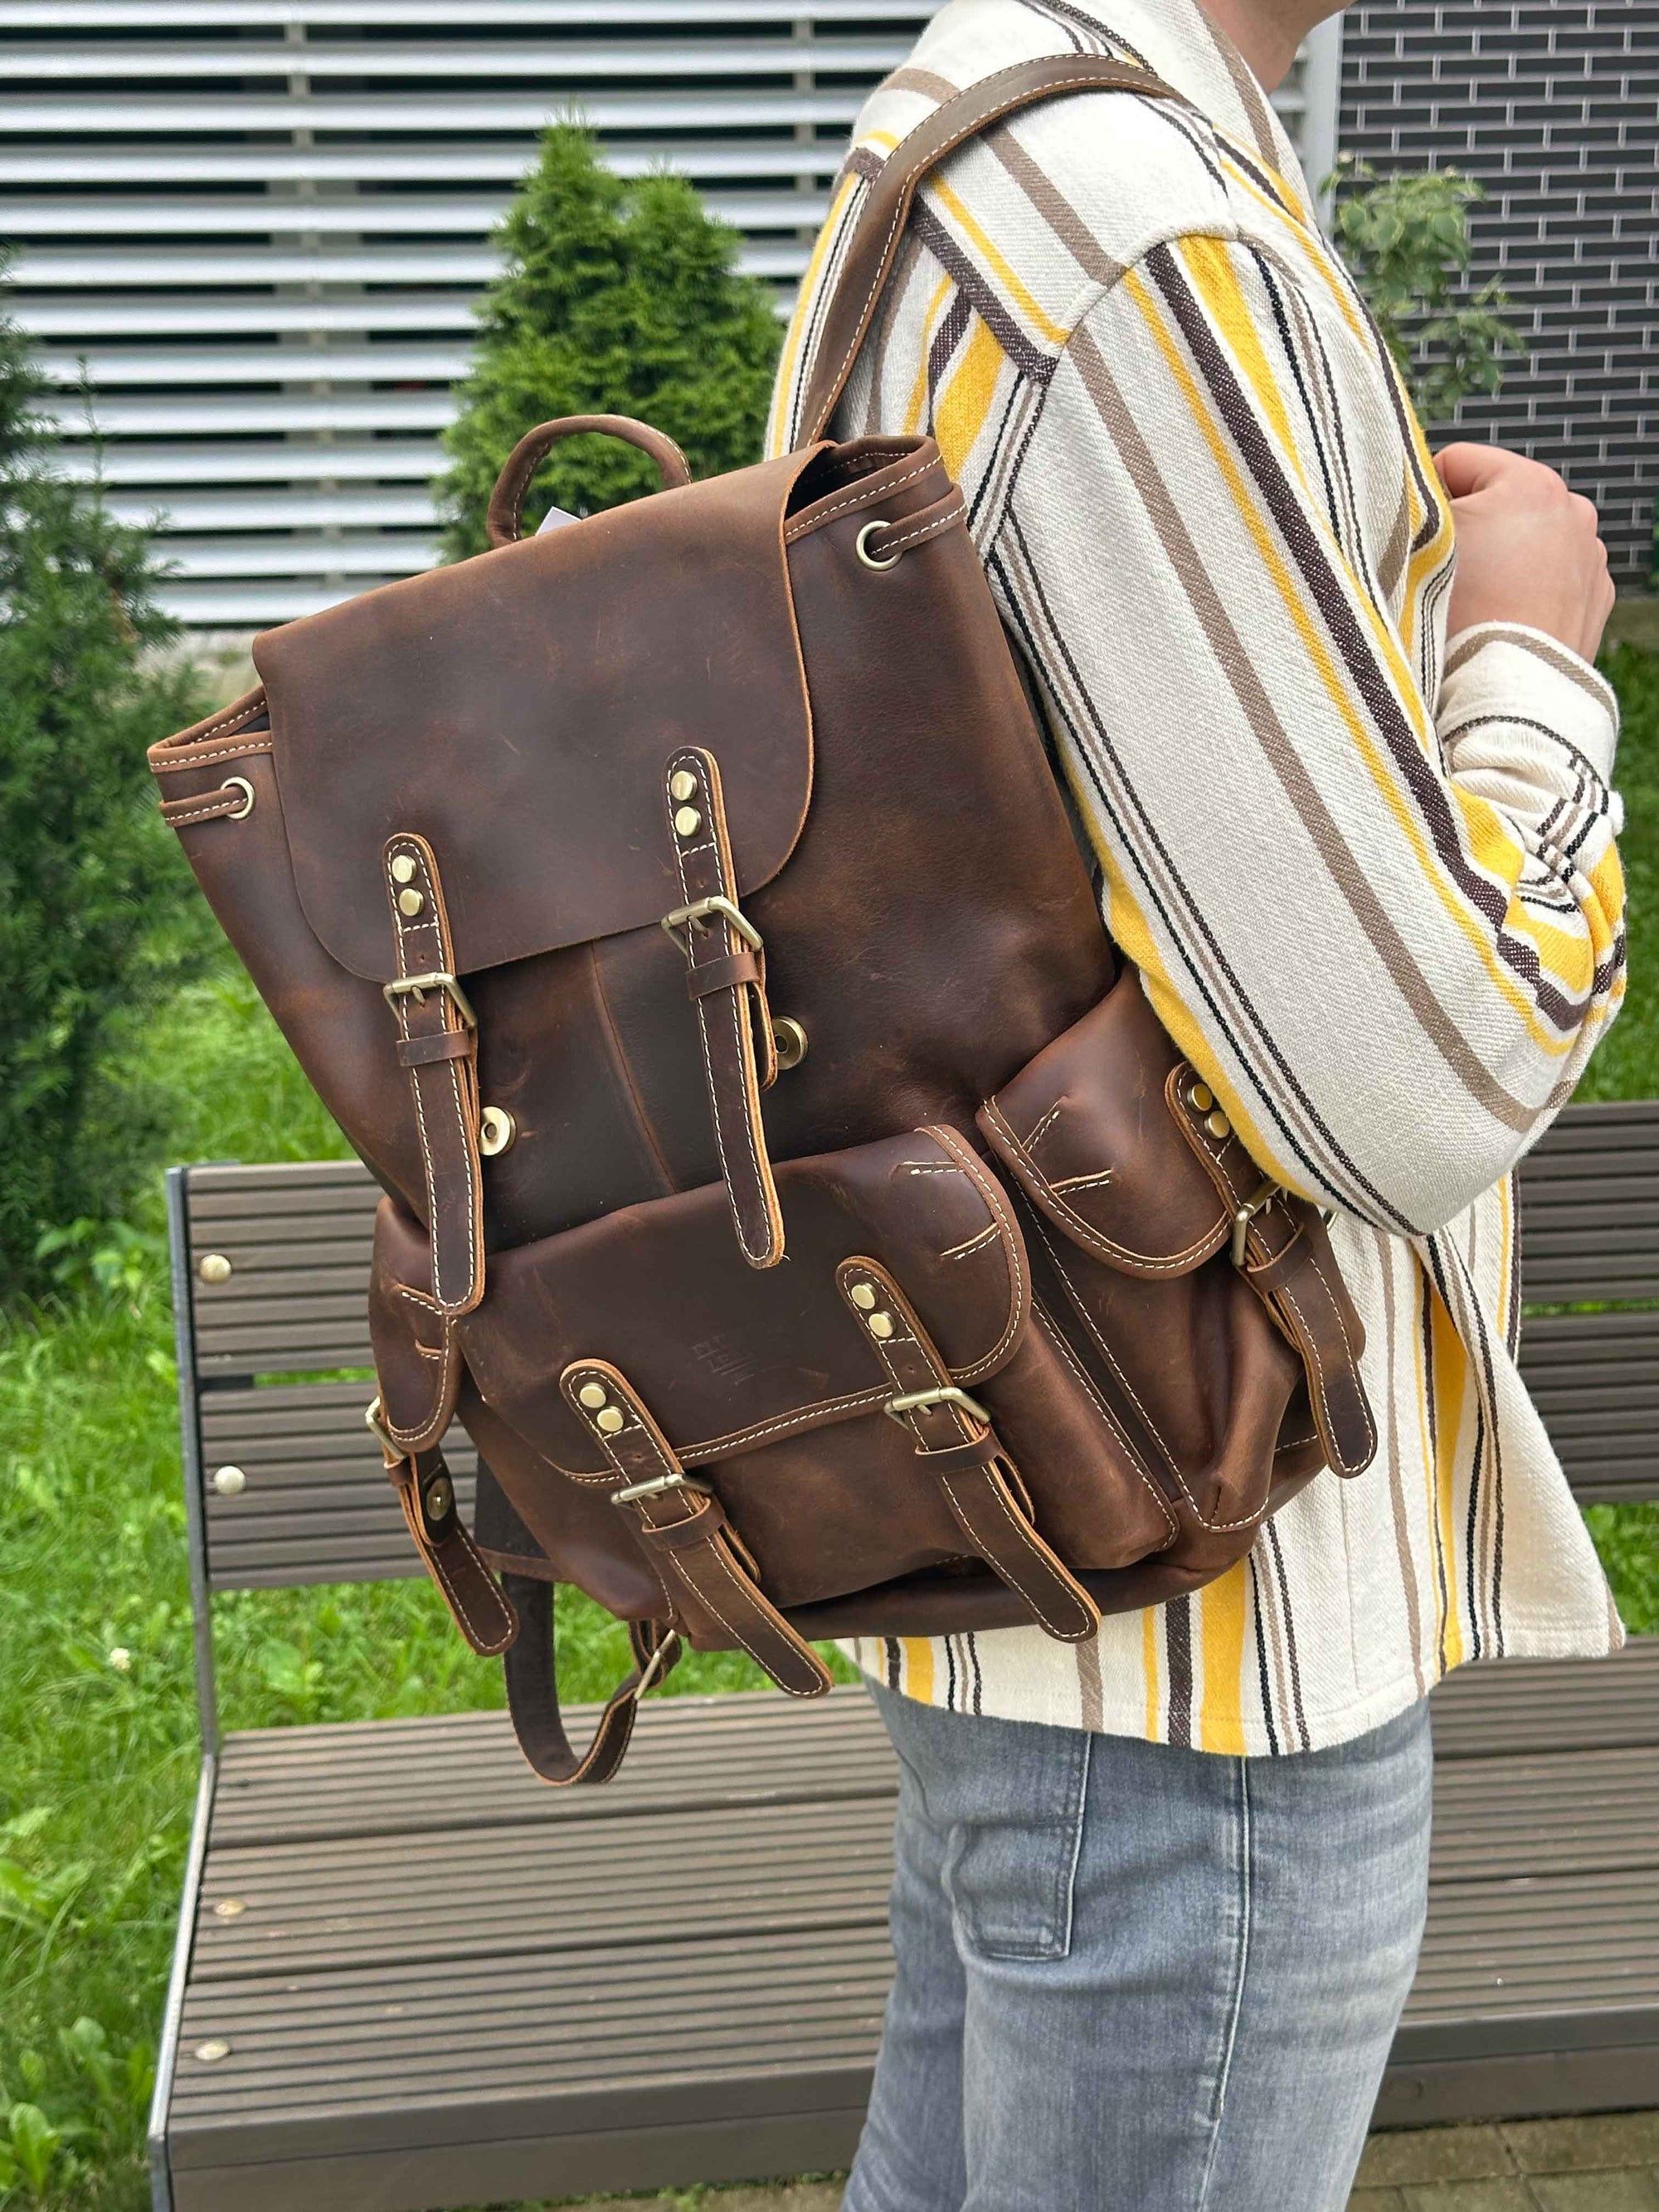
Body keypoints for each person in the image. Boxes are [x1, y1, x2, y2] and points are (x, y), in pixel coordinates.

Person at [767, 0, 1625, 2204]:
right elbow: (1426, 1075)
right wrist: (1529, 649)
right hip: (1201, 1649)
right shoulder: (1137, 234)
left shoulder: (986, 115)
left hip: (1036, 1524)